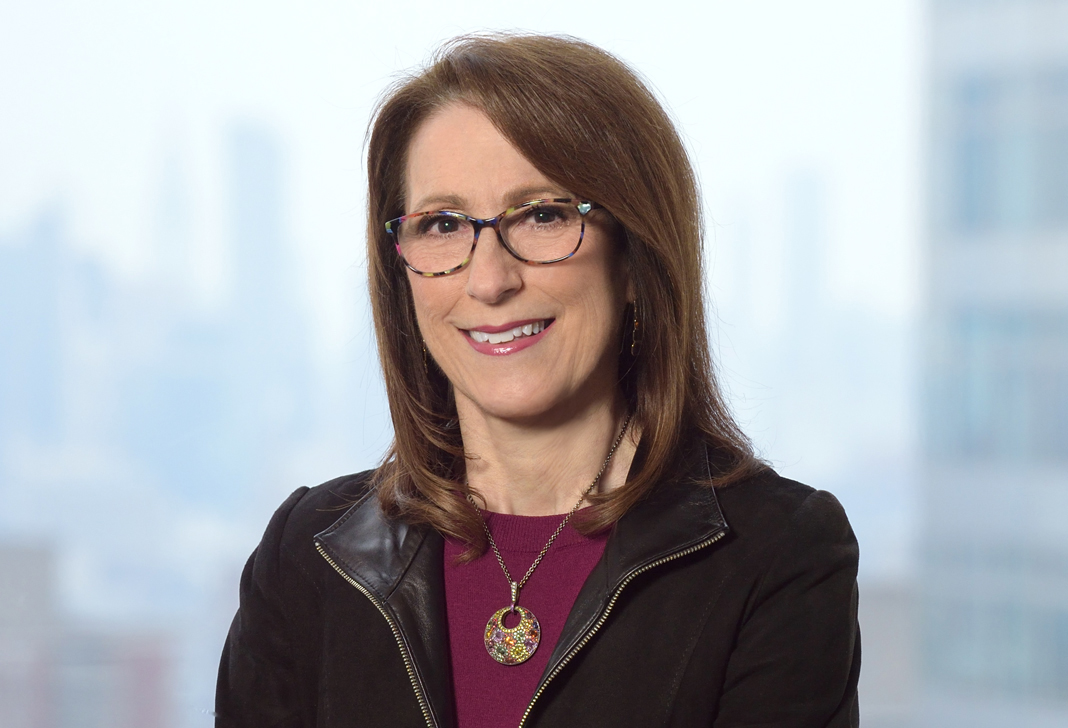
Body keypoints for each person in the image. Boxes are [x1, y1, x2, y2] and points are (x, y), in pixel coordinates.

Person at [215, 33, 860, 728]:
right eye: (442, 225)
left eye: (543, 215)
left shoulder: (775, 554)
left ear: (635, 258)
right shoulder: (309, 555)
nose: (489, 280)